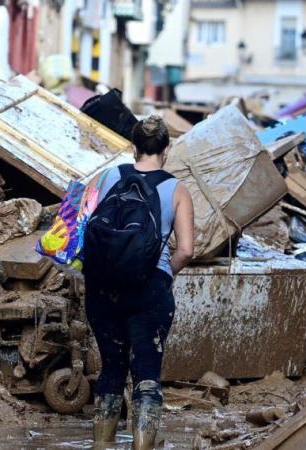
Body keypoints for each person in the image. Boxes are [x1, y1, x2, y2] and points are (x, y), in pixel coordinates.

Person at [84, 115, 194, 449]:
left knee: (111, 371)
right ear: (166, 148)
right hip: (149, 291)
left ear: (134, 147)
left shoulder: (108, 176)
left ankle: (102, 445)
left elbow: (82, 224)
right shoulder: (177, 190)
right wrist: (162, 274)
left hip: (102, 290)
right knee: (147, 373)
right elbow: (187, 250)